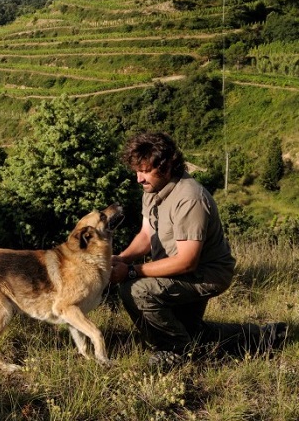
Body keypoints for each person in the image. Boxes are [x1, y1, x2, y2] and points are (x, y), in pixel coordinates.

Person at [110, 132, 286, 368]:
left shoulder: (190, 198)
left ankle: (175, 351)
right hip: (178, 269)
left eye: (145, 170)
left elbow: (187, 261)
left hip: (204, 274)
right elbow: (146, 235)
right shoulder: (152, 191)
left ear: (167, 165)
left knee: (135, 289)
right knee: (194, 333)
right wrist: (120, 258)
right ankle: (264, 336)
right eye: (137, 170)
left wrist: (130, 271)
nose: (139, 178)